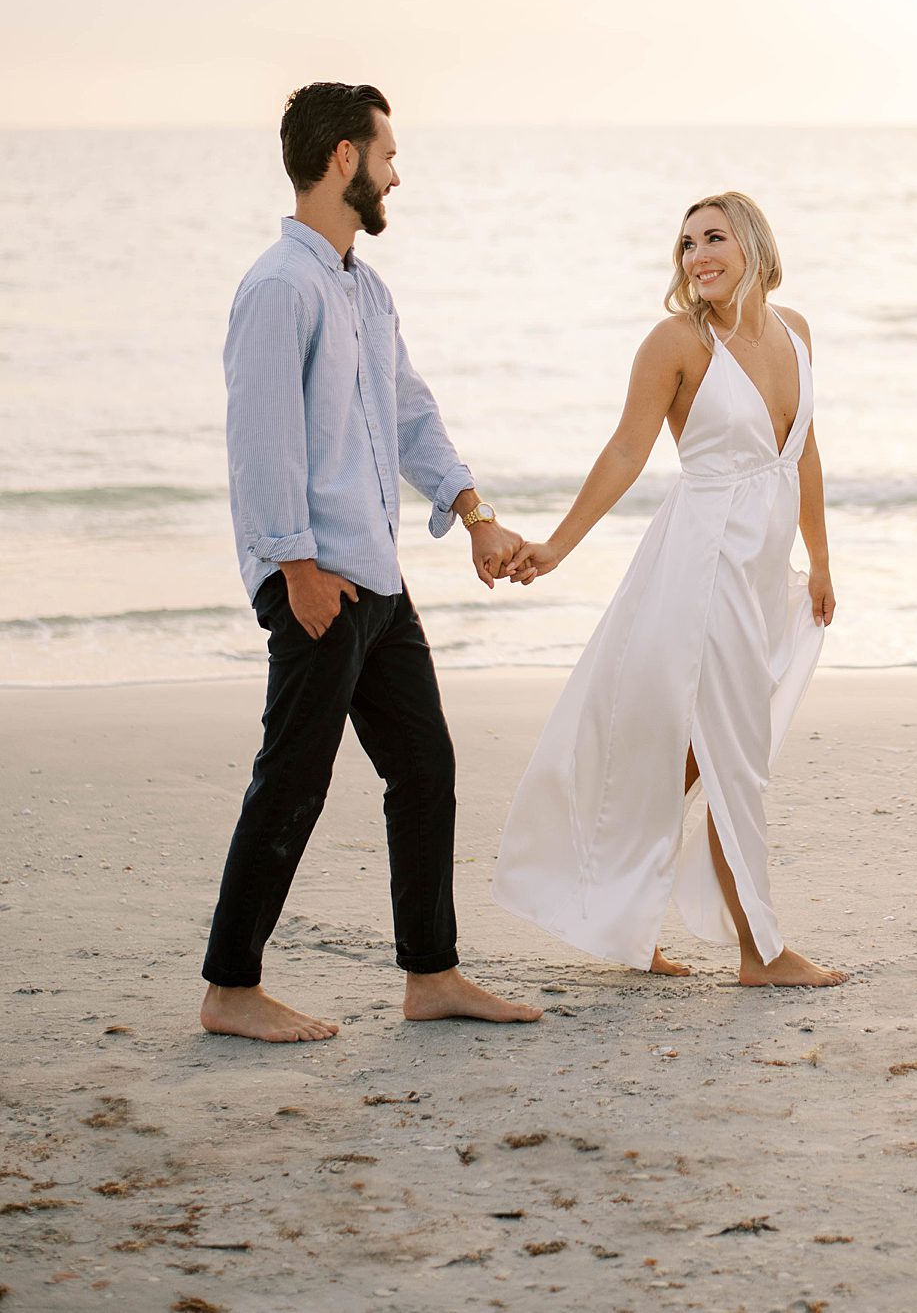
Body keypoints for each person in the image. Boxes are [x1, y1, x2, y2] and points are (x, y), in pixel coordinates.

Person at [200, 82, 543, 1043]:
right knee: (292, 782)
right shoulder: (280, 285)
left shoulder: (362, 286)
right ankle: (230, 990)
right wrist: (295, 570)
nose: (398, 170)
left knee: (425, 768)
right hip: (317, 581)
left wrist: (471, 511)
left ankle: (430, 977)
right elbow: (259, 442)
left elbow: (407, 410)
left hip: (378, 584)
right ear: (344, 157)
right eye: (387, 152)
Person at [493, 191, 845, 988]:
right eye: (686, 246)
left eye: (713, 238)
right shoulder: (675, 343)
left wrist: (819, 560)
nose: (697, 257)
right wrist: (556, 545)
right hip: (702, 565)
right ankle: (762, 953)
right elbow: (625, 452)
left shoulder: (797, 333)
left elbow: (806, 453)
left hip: (760, 573)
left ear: (753, 242)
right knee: (734, 755)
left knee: (681, 758)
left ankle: (616, 919)